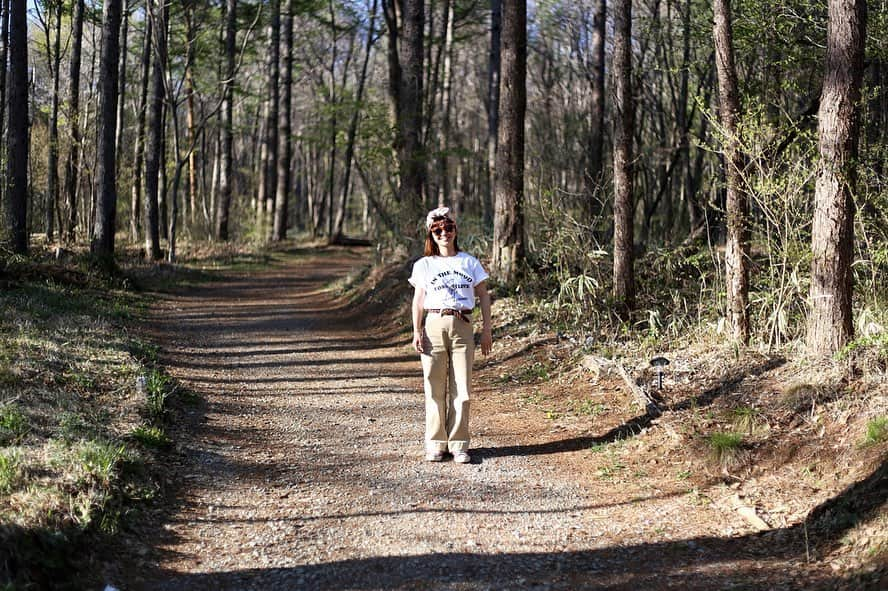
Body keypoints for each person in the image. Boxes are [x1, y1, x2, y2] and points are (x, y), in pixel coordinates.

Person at [409, 207, 492, 464]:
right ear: (431, 235)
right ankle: (436, 443)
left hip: (463, 324)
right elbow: (418, 301)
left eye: (448, 229)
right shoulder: (424, 265)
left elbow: (484, 296)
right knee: (434, 387)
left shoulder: (469, 262)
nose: (444, 234)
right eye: (437, 230)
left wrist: (487, 329)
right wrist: (416, 330)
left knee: (462, 388)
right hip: (433, 323)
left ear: (456, 231)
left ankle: (459, 444)